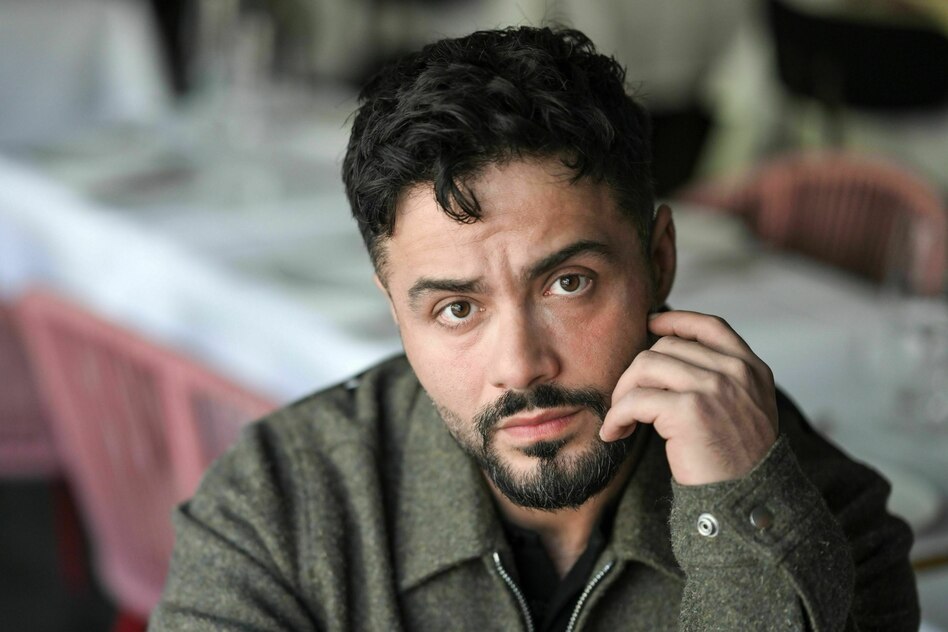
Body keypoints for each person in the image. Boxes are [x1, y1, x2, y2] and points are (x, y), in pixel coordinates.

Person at [150, 26, 919, 631]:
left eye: (568, 283)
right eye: (457, 308)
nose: (520, 366)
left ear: (658, 260)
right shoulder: (276, 503)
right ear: (395, 311)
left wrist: (746, 529)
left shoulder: (825, 523)